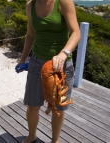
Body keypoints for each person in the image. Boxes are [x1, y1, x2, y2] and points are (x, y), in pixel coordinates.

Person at [17, 0, 81, 142]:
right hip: (37, 62)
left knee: (58, 108)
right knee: (32, 105)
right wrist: (23, 59)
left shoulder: (64, 2)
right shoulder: (30, 5)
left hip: (61, 66)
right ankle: (32, 135)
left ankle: (55, 140)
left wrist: (63, 54)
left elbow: (76, 33)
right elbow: (30, 35)